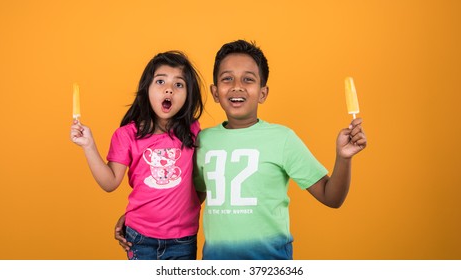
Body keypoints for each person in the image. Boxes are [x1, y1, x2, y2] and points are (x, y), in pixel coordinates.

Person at [116, 40, 367, 260]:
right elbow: (187, 197)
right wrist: (140, 220)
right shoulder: (202, 140)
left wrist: (343, 158)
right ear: (215, 92)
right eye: (227, 79)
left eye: (248, 79)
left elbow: (331, 197)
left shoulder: (282, 138)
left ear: (263, 93)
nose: (237, 86)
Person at [71, 51, 205, 260]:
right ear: (147, 90)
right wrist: (88, 145)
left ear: (188, 94)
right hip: (140, 238)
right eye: (160, 81)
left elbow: (200, 184)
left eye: (179, 84)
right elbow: (110, 182)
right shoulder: (127, 135)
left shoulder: (193, 132)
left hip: (183, 239)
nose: (169, 88)